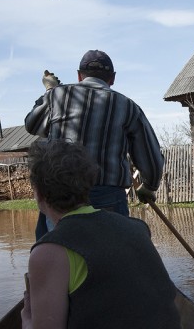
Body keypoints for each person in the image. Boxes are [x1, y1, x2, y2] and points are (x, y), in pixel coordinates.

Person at [21, 140, 180, 328]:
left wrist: (27, 320)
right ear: (88, 185)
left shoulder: (47, 252)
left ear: (38, 193)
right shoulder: (138, 228)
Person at [25, 49, 163, 239]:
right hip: (108, 196)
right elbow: (151, 157)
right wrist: (149, 186)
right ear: (112, 78)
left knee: (58, 256)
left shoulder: (56, 96)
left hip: (60, 196)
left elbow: (32, 125)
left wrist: (50, 93)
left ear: (79, 75)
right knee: (110, 259)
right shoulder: (128, 107)